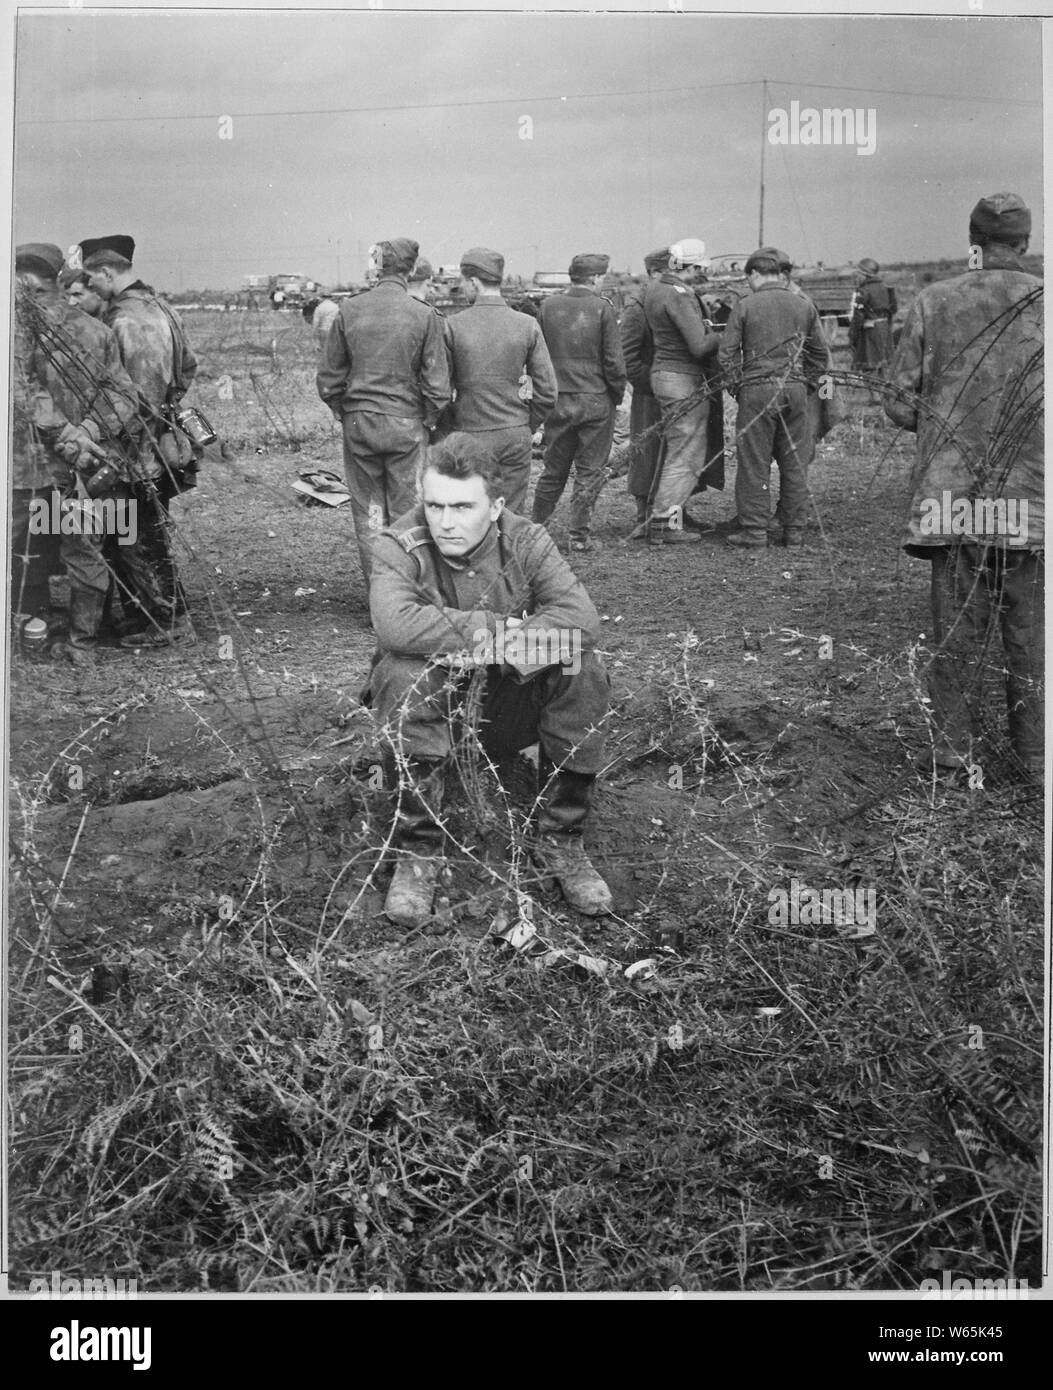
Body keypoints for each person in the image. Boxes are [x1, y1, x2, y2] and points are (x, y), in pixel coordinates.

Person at [369, 432, 615, 928]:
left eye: (462, 507)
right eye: (434, 505)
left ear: (497, 505)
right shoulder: (398, 543)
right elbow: (394, 625)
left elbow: (581, 620)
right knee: (402, 670)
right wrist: (499, 632)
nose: (445, 522)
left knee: (579, 666)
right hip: (434, 715)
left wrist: (492, 653)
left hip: (504, 710)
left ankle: (562, 838)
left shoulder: (525, 539)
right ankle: (419, 851)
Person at [883, 193, 1043, 782]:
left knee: (955, 635)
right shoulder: (1045, 304)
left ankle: (953, 759)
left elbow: (899, 405)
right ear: (1025, 243)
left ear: (972, 241)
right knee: (1029, 638)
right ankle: (1037, 763)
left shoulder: (933, 301)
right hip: (1030, 501)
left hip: (953, 499)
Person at [12, 243, 139, 662]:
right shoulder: (95, 329)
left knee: (23, 549)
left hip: (30, 469)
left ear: (25, 282)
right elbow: (123, 395)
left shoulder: (16, 330)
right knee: (82, 548)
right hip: (83, 464)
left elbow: (22, 392)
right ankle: (82, 642)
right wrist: (87, 433)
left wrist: (68, 433)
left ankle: (27, 627)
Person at [80, 233, 199, 646]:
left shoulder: (127, 319)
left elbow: (135, 396)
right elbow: (187, 368)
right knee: (132, 531)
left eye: (91, 279)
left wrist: (105, 433)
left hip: (134, 450)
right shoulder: (159, 307)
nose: (88, 287)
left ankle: (169, 622)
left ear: (106, 272)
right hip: (150, 440)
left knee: (139, 534)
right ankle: (146, 614)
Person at [316, 237, 451, 581]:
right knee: (408, 512)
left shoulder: (349, 309)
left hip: (360, 425)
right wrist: (429, 419)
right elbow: (438, 386)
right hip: (406, 427)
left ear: (378, 267)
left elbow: (329, 377)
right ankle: (408, 594)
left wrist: (342, 410)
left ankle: (380, 599)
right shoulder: (423, 315)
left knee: (371, 514)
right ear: (410, 269)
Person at [718, 247, 830, 550]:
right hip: (794, 390)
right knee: (795, 462)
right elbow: (821, 354)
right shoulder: (803, 305)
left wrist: (737, 388)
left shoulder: (745, 305)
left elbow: (726, 354)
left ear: (754, 274)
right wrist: (806, 385)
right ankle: (794, 531)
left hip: (756, 390)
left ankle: (754, 531)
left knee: (755, 462)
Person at [442, 246, 557, 514]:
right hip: (514, 432)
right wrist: (527, 424)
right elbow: (548, 391)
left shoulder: (453, 325)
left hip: (470, 433)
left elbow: (440, 390)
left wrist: (451, 427)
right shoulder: (526, 324)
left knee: (471, 512)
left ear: (473, 282)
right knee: (511, 516)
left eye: (463, 282)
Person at [531, 253, 626, 552]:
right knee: (590, 471)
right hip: (596, 400)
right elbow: (614, 362)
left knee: (553, 470)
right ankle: (578, 537)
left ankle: (535, 529)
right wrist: (616, 395)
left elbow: (537, 356)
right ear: (597, 278)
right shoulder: (602, 309)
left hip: (558, 400)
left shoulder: (548, 307)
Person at [643, 237, 724, 545]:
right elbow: (700, 345)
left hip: (666, 375)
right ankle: (666, 523)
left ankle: (666, 520)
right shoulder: (678, 295)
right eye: (697, 269)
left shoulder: (656, 290)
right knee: (685, 453)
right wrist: (730, 332)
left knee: (680, 449)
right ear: (686, 267)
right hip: (682, 379)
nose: (699, 275)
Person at [619, 247, 667, 538]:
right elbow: (628, 358)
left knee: (672, 454)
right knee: (646, 453)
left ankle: (675, 513)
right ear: (654, 273)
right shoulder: (639, 305)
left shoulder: (671, 298)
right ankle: (643, 516)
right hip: (649, 394)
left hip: (676, 392)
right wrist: (650, 384)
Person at [850, 258, 897, 384]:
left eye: (858, 274)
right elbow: (894, 308)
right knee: (881, 365)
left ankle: (875, 396)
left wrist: (852, 335)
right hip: (884, 329)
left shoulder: (863, 291)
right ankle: (883, 393)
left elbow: (858, 316)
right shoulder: (885, 287)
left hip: (870, 331)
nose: (857, 277)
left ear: (865, 274)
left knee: (868, 366)